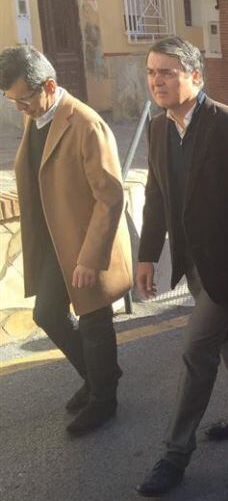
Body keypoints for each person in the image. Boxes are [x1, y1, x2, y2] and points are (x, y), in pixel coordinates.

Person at [135, 37, 228, 496]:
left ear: (196, 76)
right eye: (152, 71)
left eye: (168, 71)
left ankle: (175, 454)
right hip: (192, 262)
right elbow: (157, 196)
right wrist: (146, 254)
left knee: (196, 349)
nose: (157, 80)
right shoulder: (159, 129)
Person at [2, 43, 131, 436]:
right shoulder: (36, 116)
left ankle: (103, 399)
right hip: (55, 246)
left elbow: (110, 197)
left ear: (49, 86)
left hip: (84, 246)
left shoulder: (85, 123)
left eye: (24, 100)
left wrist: (90, 258)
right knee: (47, 314)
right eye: (13, 103)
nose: (21, 109)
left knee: (94, 321)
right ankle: (99, 376)